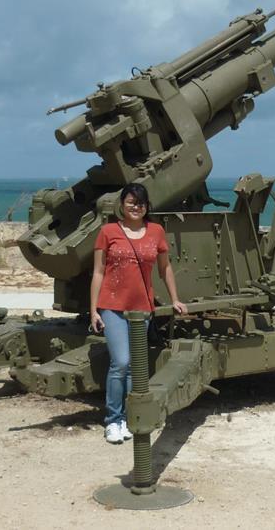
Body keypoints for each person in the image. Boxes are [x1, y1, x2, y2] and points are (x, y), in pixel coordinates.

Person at [90, 183, 187, 444]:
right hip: (112, 305)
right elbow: (98, 272)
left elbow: (165, 268)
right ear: (122, 205)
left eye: (141, 203)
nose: (136, 207)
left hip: (141, 307)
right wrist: (93, 311)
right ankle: (114, 420)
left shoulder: (156, 232)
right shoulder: (108, 232)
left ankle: (133, 419)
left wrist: (175, 299)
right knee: (120, 363)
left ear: (147, 207)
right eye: (131, 202)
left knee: (135, 366)